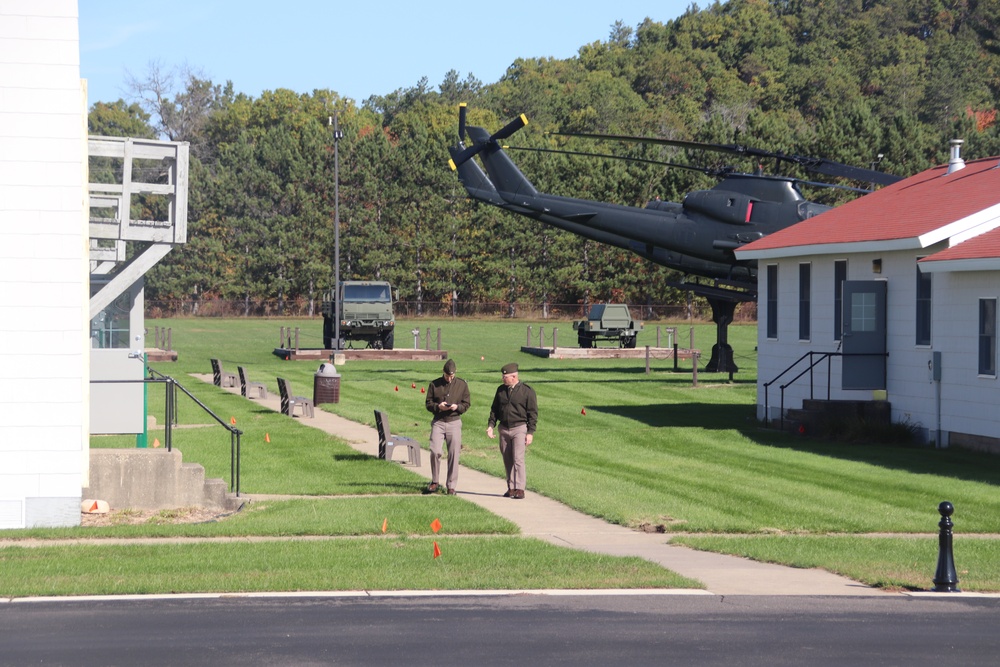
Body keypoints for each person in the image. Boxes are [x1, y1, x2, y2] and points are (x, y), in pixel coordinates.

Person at [487, 363, 538, 499]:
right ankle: (511, 487)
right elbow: (494, 410)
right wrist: (491, 426)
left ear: (514, 376)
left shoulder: (527, 391)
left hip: (519, 428)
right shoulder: (500, 390)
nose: (503, 379)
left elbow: (532, 414)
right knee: (507, 459)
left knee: (518, 459)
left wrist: (530, 432)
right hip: (503, 428)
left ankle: (520, 488)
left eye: (505, 377)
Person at [424, 358, 470, 495]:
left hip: (454, 422)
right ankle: (435, 480)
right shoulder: (434, 384)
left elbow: (467, 403)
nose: (449, 379)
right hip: (438, 421)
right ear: (443, 373)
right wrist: (438, 407)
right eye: (447, 376)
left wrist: (458, 407)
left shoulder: (462, 385)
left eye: (452, 376)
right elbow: (428, 403)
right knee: (435, 451)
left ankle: (451, 485)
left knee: (454, 454)